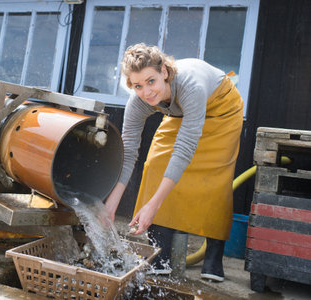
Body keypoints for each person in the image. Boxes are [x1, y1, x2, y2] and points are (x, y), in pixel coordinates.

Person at [105, 43, 244, 282]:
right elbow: (128, 153)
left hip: (221, 109)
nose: (146, 92)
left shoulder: (191, 87)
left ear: (165, 72)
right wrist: (110, 206)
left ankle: (213, 255)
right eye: (137, 86)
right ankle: (160, 255)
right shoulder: (139, 102)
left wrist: (152, 205)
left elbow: (184, 149)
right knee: (156, 163)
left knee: (215, 179)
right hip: (179, 111)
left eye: (151, 81)